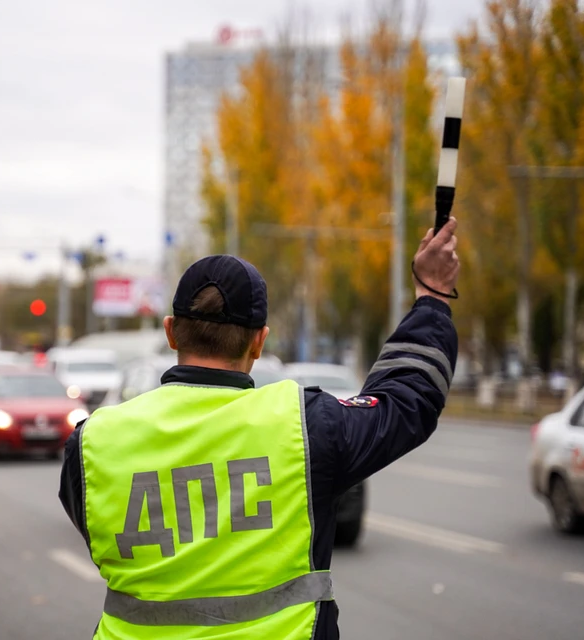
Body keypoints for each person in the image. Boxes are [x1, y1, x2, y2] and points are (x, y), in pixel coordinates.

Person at [59, 218, 460, 639]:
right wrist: (431, 296)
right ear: (259, 342)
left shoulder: (90, 444)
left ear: (171, 332)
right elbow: (407, 400)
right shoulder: (305, 427)